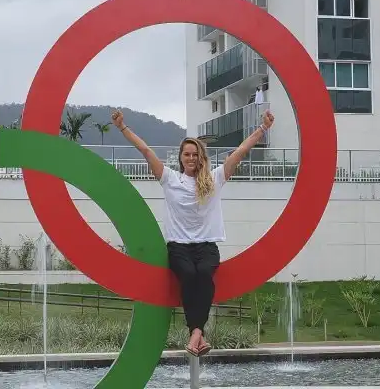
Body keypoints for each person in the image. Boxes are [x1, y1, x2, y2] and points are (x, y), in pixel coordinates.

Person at [111, 108, 274, 357]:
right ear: (180, 157)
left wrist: (262, 129)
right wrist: (123, 128)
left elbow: (239, 152)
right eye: (186, 154)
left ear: (200, 157)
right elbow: (146, 151)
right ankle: (198, 333)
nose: (190, 158)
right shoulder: (170, 179)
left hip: (207, 246)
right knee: (188, 273)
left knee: (205, 273)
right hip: (178, 247)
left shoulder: (214, 179)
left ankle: (195, 333)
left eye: (195, 154)